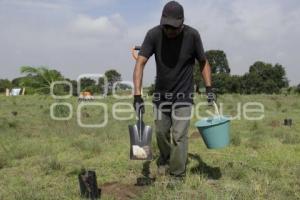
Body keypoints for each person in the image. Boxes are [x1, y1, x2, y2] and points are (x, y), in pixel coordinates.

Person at [133, 1, 216, 181]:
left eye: (174, 28)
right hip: (161, 95)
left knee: (179, 136)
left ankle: (177, 174)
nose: (170, 31)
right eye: (167, 27)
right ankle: (165, 159)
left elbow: (203, 61)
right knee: (161, 133)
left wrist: (209, 88)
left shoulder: (192, 35)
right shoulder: (153, 34)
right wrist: (137, 95)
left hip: (183, 95)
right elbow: (140, 63)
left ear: (182, 23)